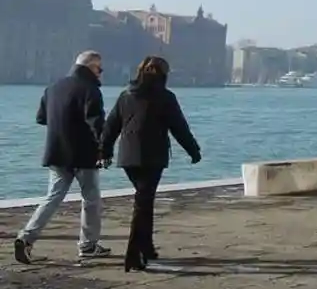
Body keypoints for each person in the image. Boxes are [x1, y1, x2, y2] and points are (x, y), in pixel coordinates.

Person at [100, 56, 201, 271]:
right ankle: (133, 254)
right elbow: (179, 127)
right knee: (143, 203)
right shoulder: (165, 97)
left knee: (144, 201)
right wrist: (193, 150)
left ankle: (146, 247)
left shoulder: (126, 95)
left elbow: (111, 126)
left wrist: (105, 150)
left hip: (128, 157)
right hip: (152, 157)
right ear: (164, 74)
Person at [14, 51, 112, 264]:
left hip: (57, 152)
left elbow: (41, 118)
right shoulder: (91, 90)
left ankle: (26, 237)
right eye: (99, 68)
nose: (101, 73)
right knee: (91, 200)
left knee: (52, 197)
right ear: (91, 67)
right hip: (84, 154)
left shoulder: (53, 87)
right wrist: (104, 151)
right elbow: (97, 124)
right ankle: (87, 245)